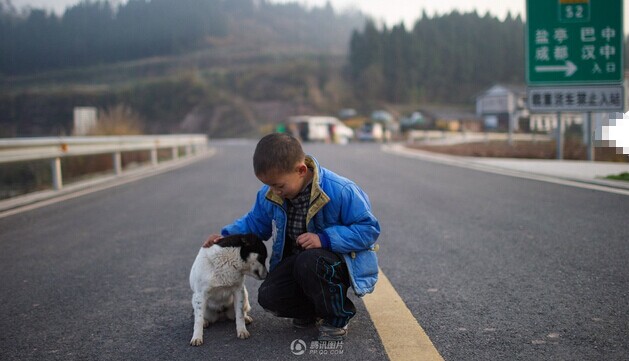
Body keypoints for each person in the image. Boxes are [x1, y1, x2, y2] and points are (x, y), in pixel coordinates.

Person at [203, 133, 380, 341]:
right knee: (269, 296)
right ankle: (309, 311)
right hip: (297, 265)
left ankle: (338, 316)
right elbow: (253, 224)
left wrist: (324, 239)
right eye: (269, 186)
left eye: (279, 186)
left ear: (301, 170)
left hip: (333, 264)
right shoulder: (270, 193)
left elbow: (368, 229)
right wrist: (224, 239)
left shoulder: (341, 190)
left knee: (309, 260)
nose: (274, 192)